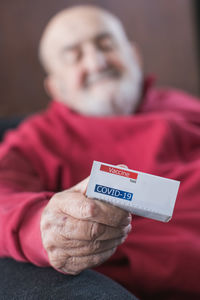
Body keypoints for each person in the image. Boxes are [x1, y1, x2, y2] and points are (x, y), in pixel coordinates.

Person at [0, 4, 200, 299]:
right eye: (74, 56)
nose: (96, 62)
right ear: (55, 87)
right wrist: (40, 225)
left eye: (107, 44)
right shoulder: (36, 139)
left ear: (134, 55)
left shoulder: (183, 105)